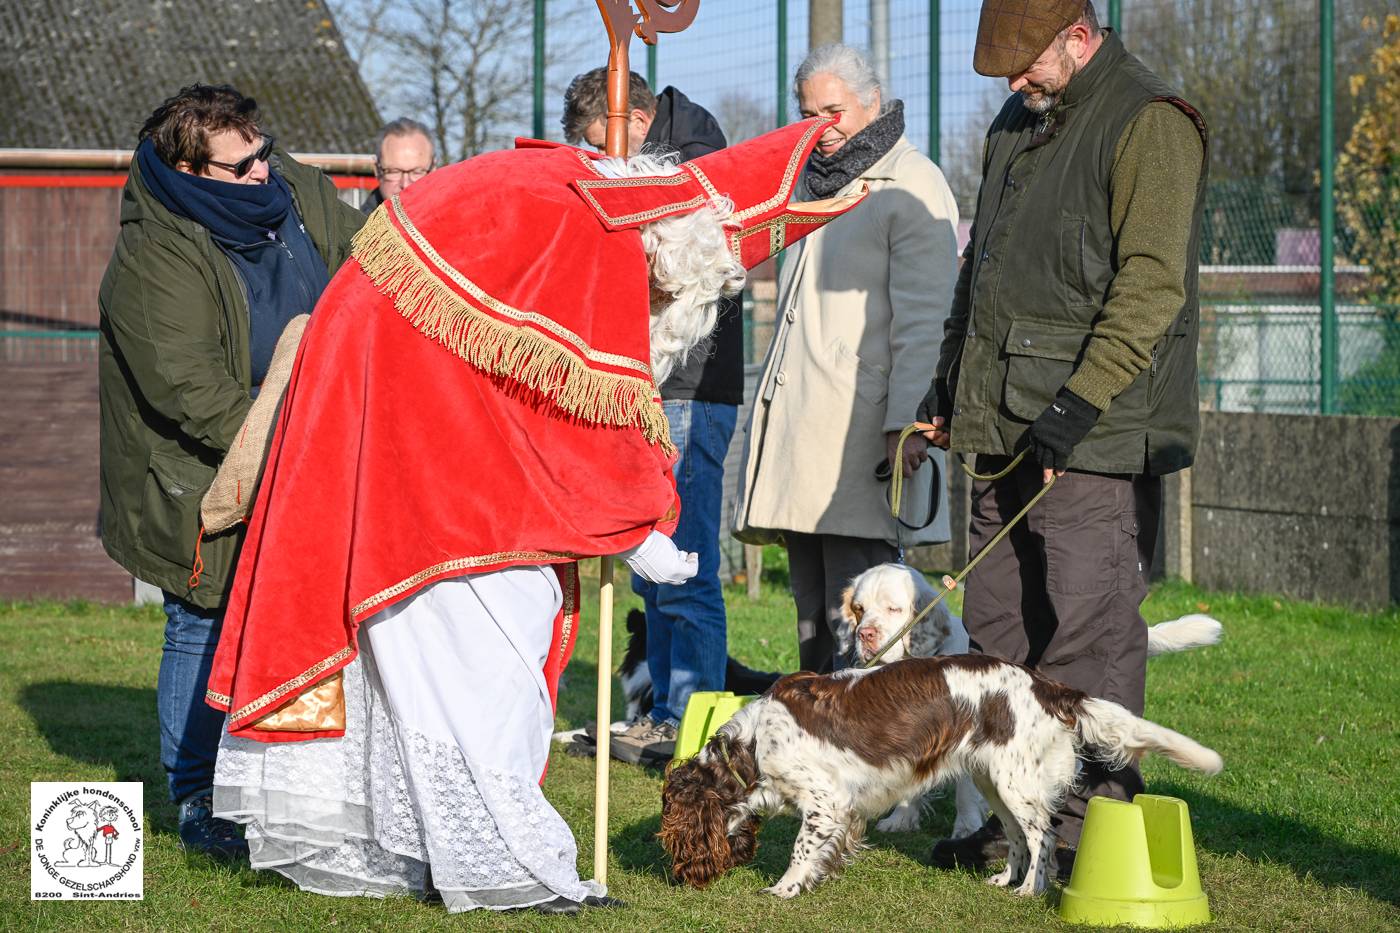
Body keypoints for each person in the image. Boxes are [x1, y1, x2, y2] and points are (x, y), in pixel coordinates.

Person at [204, 118, 862, 914]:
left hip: (410, 436)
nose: (663, 310)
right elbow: (587, 415)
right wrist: (639, 526)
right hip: (438, 473)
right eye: (669, 295)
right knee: (488, 673)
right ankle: (507, 867)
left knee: (433, 670)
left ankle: (420, 846)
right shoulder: (594, 241)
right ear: (669, 256)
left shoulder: (580, 199)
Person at [918, 0, 1209, 877]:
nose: (1012, 85)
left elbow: (1151, 286)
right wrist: (947, 379)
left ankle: (1089, 835)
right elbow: (986, 265)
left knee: (1086, 633)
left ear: (1078, 37)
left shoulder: (1151, 122)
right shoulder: (1018, 119)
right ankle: (1014, 826)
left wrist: (1079, 403)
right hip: (1000, 419)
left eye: (1026, 64)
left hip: (1094, 428)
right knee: (997, 631)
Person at [97, 83, 366, 858]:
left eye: (262, 152)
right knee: (205, 618)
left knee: (301, 616)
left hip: (309, 439)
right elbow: (193, 391)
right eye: (239, 164)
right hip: (202, 473)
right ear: (190, 169)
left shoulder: (293, 190)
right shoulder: (154, 257)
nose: (261, 172)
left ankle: (292, 782)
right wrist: (300, 437)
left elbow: (372, 259)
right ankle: (195, 795)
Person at [732, 44, 960, 674]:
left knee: (869, 615)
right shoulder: (806, 182)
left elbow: (927, 320)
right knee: (813, 607)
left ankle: (868, 750)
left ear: (873, 103)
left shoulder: (912, 184)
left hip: (867, 439)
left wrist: (907, 424)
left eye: (834, 110)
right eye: (809, 112)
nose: (821, 127)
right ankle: (814, 741)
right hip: (804, 433)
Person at [562, 68, 744, 762]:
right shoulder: (653, 150)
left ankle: (694, 718)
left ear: (632, 122)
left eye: (598, 144)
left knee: (689, 559)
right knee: (655, 558)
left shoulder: (694, 160)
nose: (599, 161)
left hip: (690, 387)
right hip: (650, 384)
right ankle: (662, 707)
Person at [362, 117, 436, 214]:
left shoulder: (456, 225)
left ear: (433, 169)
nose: (405, 184)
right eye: (394, 171)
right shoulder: (357, 228)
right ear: (377, 169)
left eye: (417, 172)